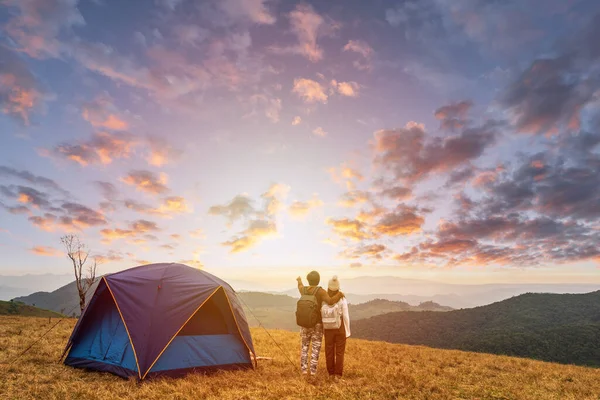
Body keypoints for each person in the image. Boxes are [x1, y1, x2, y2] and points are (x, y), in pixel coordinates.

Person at [296, 271, 344, 377]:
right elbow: (330, 301)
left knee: (304, 346)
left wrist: (299, 280)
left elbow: (300, 285)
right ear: (318, 280)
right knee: (315, 348)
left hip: (304, 324)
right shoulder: (320, 291)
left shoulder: (303, 290)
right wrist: (339, 295)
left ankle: (303, 370)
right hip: (317, 324)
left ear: (308, 280)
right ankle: (312, 372)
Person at [322, 276, 350, 380]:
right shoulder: (342, 298)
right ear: (338, 287)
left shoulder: (324, 298)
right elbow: (346, 316)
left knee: (329, 351)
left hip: (327, 328)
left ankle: (330, 373)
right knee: (339, 352)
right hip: (339, 327)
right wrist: (347, 331)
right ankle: (338, 375)